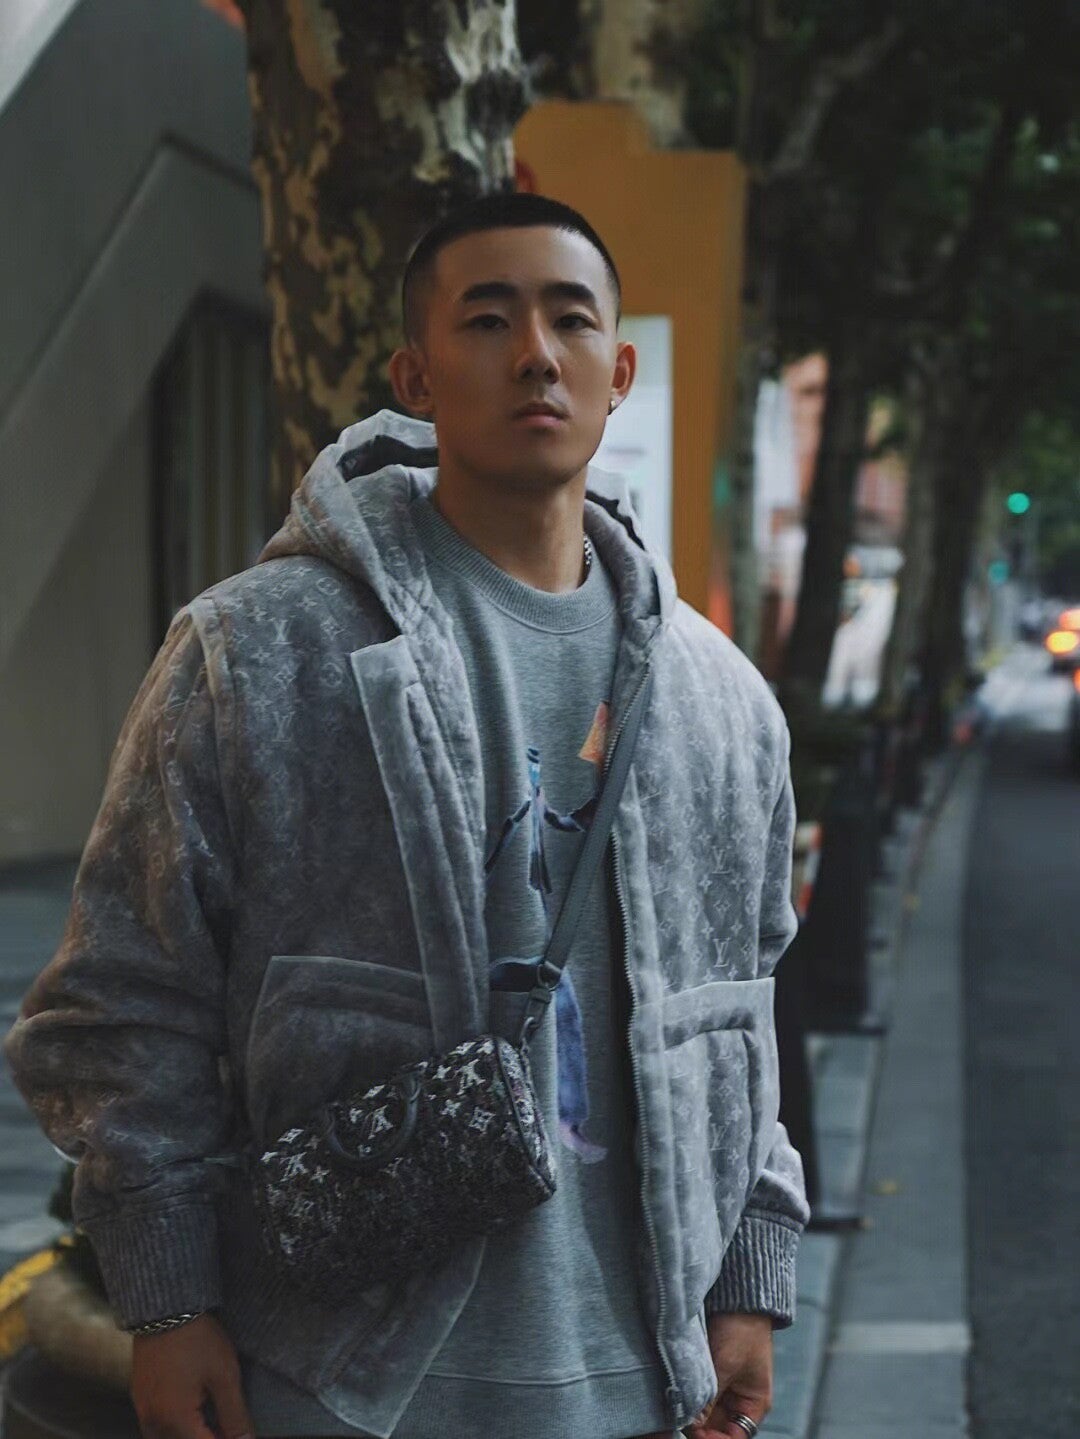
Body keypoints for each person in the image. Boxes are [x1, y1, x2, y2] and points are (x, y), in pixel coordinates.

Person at [3, 191, 809, 1439]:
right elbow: (118, 1003)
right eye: (487, 319)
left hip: (647, 1374)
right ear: (416, 377)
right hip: (341, 1378)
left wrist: (751, 1270)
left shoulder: (724, 699)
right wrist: (167, 1299)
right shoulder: (258, 650)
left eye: (570, 320)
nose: (535, 353)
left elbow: (745, 1007)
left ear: (617, 372)